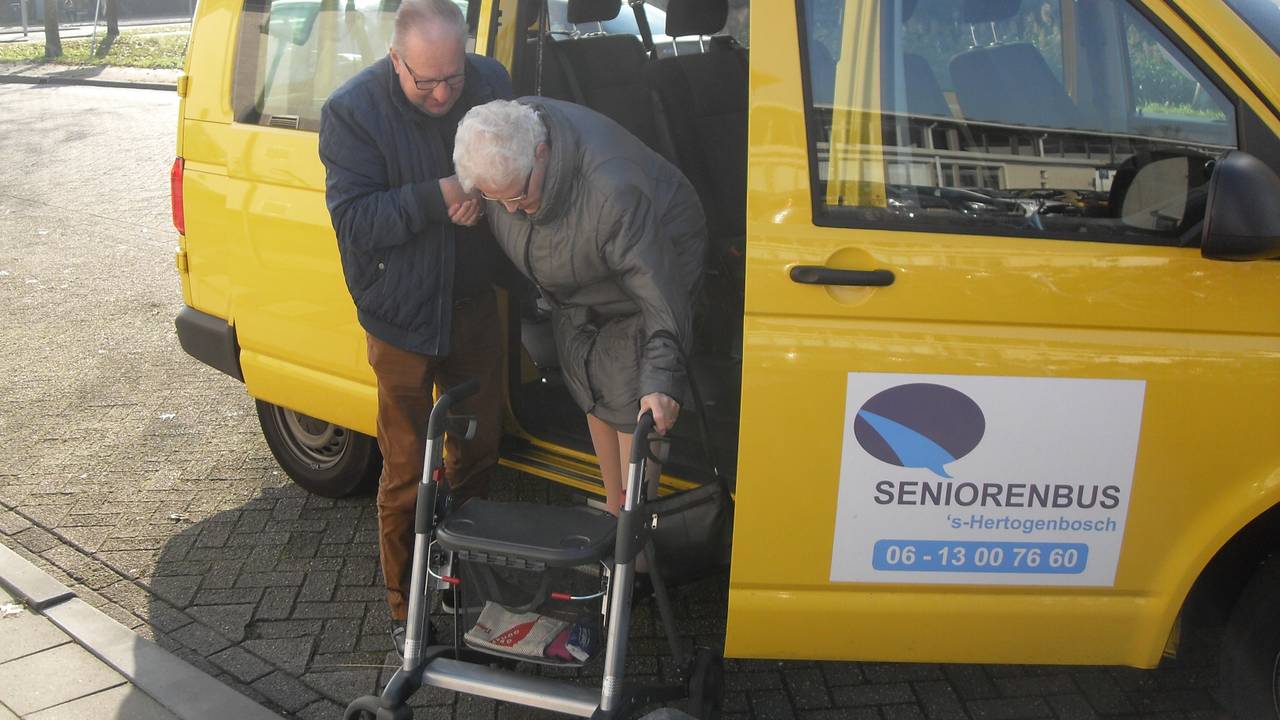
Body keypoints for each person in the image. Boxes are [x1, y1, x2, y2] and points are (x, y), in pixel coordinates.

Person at [317, 0, 512, 656]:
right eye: (424, 81)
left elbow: (517, 164)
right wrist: (438, 196)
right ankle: (406, 609)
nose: (441, 94)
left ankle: (458, 577)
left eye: (451, 78)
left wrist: (485, 198)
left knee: (479, 450)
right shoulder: (351, 112)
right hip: (399, 313)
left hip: (473, 302)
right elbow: (357, 223)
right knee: (405, 468)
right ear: (394, 59)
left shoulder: (490, 81)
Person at [453, 98, 706, 515]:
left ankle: (635, 537)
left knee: (633, 390)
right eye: (495, 200)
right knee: (588, 372)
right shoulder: (503, 151)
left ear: (542, 153)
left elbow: (660, 297)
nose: (512, 210)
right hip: (583, 275)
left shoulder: (612, 191)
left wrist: (662, 380)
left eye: (517, 195)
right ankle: (613, 508)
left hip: (656, 259)